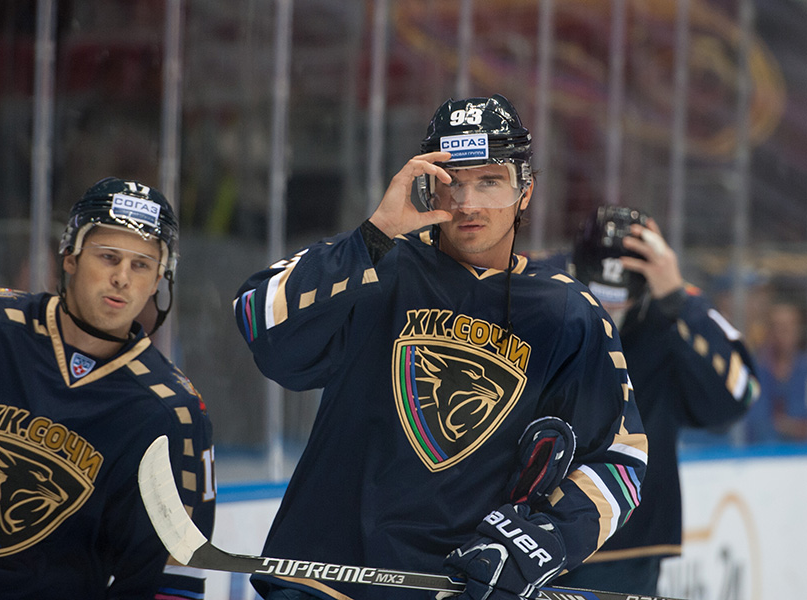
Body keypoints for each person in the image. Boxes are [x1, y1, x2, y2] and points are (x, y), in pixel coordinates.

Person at [233, 94, 648, 600]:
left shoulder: (567, 313)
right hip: (325, 579)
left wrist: (542, 542)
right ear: (426, 186)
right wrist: (373, 236)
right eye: (452, 182)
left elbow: (620, 460)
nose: (469, 204)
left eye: (490, 181)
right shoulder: (378, 266)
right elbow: (259, 320)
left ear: (525, 191)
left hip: (455, 588)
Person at [0, 177, 216, 599]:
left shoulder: (172, 415)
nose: (122, 278)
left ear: (161, 278)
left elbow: (172, 581)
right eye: (108, 257)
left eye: (141, 265)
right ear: (70, 256)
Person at [547, 205, 759, 595]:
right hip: (532, 524)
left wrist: (679, 300)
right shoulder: (539, 284)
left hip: (628, 544)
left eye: (621, 300)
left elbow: (739, 395)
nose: (608, 310)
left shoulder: (671, 309)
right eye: (597, 296)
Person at [743, 299, 807, 443]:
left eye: (787, 327)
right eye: (776, 327)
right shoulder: (755, 370)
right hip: (761, 450)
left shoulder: (804, 370)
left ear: (798, 329)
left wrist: (790, 427)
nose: (781, 334)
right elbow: (753, 421)